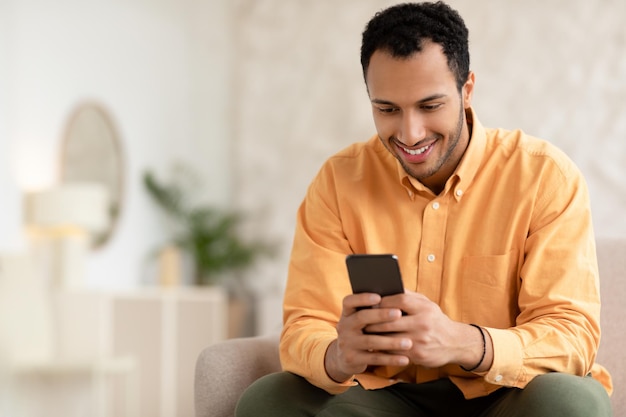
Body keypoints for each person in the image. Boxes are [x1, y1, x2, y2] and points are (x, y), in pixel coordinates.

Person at [236, 2, 613, 416]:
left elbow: (571, 335)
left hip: (504, 396)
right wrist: (338, 355)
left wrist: (463, 341)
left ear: (467, 89)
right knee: (268, 400)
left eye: (430, 106)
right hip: (384, 399)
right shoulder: (338, 182)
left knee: (571, 402)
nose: (410, 133)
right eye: (387, 109)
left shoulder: (544, 177)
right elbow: (303, 327)